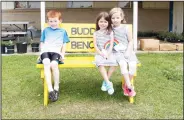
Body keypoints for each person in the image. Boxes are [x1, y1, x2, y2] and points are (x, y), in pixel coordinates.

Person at [40, 10, 70, 102]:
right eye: (50, 21)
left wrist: (63, 55)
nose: (53, 23)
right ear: (48, 21)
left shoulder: (62, 31)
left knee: (53, 64)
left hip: (56, 52)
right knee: (46, 62)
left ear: (60, 21)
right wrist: (40, 53)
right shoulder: (46, 30)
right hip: (46, 51)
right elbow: (42, 42)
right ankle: (50, 89)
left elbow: (64, 44)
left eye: (55, 21)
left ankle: (56, 87)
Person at [109, 7, 138, 97]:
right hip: (117, 52)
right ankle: (129, 86)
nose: (115, 20)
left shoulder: (126, 28)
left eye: (117, 18)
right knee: (123, 64)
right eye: (113, 18)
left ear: (122, 17)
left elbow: (130, 41)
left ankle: (125, 85)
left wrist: (128, 52)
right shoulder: (110, 29)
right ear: (110, 19)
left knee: (133, 65)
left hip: (127, 51)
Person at [93, 12, 118, 95]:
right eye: (101, 21)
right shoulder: (95, 33)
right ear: (97, 22)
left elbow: (111, 44)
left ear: (108, 23)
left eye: (105, 22)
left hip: (109, 53)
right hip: (100, 53)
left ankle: (105, 81)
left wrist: (108, 53)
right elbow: (95, 46)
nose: (103, 24)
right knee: (100, 64)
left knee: (114, 64)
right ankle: (109, 83)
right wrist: (101, 53)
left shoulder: (110, 32)